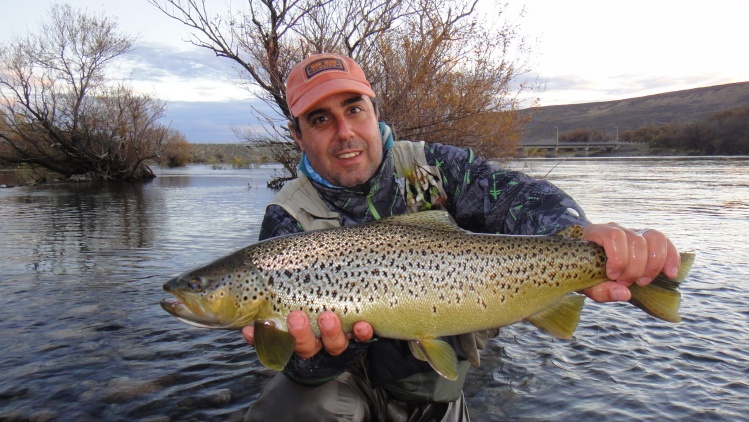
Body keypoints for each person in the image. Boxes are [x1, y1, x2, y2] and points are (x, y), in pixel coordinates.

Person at [241, 53, 682, 421]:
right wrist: (322, 358)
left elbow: (516, 198)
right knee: (285, 406)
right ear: (297, 136)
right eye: (320, 119)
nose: (344, 132)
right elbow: (297, 361)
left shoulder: (436, 166)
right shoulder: (287, 221)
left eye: (354, 109)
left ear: (375, 113)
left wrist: (580, 235)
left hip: (439, 376)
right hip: (346, 382)